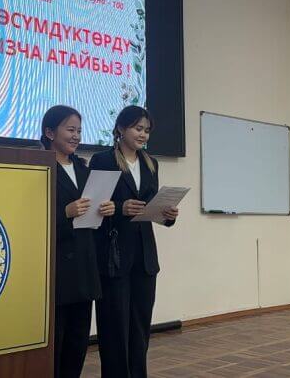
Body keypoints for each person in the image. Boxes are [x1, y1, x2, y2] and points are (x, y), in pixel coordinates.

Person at [89, 105, 179, 377]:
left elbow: (151, 207)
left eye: (147, 130)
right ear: (120, 128)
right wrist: (120, 208)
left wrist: (167, 215)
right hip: (113, 256)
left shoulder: (151, 163)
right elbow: (92, 208)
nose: (143, 135)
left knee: (140, 328)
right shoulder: (103, 160)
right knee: (114, 328)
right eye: (138, 128)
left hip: (144, 258)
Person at [42, 105, 114, 378]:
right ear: (50, 132)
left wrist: (106, 210)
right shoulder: (39, 166)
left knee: (77, 341)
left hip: (84, 267)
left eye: (79, 131)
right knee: (55, 343)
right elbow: (30, 218)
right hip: (56, 270)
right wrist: (65, 213)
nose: (76, 136)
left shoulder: (85, 170)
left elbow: (92, 218)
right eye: (70, 129)